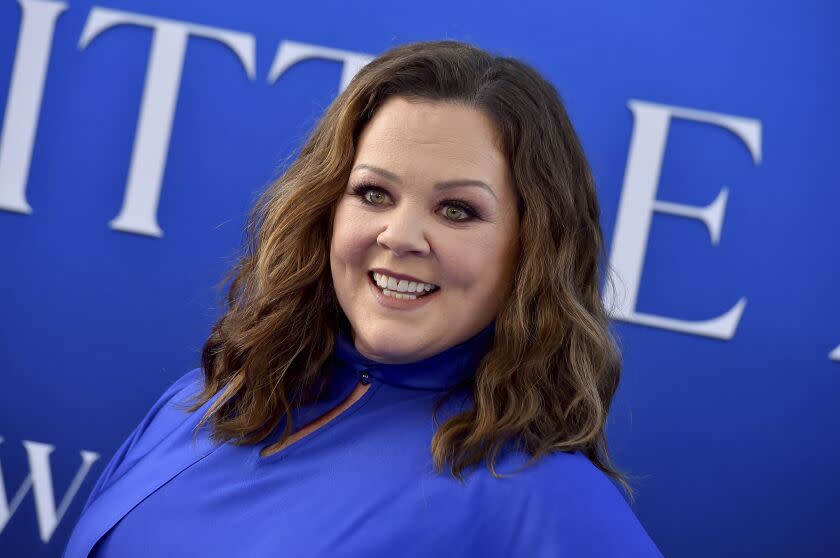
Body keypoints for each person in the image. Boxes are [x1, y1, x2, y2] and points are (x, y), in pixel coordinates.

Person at [63, 40, 663, 557]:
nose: (399, 237)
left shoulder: (546, 498)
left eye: (458, 210)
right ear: (327, 208)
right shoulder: (205, 399)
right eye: (374, 193)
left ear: (532, 250)